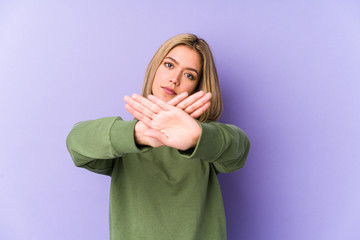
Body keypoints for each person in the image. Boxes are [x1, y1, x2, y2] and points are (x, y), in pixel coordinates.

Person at [66, 33, 250, 240]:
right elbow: (76, 142)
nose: (175, 79)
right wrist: (137, 134)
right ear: (155, 67)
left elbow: (239, 147)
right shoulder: (125, 143)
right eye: (169, 65)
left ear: (197, 87)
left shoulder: (205, 145)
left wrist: (198, 137)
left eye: (189, 75)